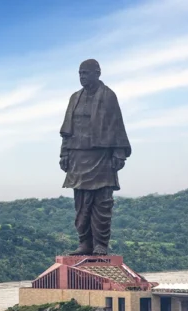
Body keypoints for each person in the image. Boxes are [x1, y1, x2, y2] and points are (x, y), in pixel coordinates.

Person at [59, 59, 131, 255]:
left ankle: (100, 244)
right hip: (77, 156)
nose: (82, 77)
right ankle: (85, 243)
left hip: (101, 156)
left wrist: (118, 153)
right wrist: (64, 153)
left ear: (97, 73)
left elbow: (117, 125)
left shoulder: (108, 96)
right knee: (81, 203)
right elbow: (66, 131)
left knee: (102, 202)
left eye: (86, 73)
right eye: (80, 73)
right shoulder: (75, 98)